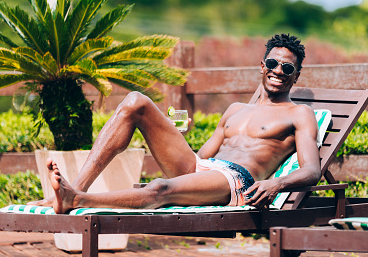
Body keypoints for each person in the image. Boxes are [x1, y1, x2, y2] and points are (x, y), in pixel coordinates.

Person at [29, 33, 321, 214]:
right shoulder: (235, 109)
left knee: (160, 189)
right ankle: (73, 189)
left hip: (236, 180)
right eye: (272, 64)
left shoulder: (298, 114)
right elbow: (202, 158)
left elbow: (311, 170)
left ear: (296, 75)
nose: (278, 71)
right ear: (262, 65)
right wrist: (174, 136)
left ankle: (77, 200)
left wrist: (276, 183)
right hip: (203, 169)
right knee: (135, 101)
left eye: (287, 68)